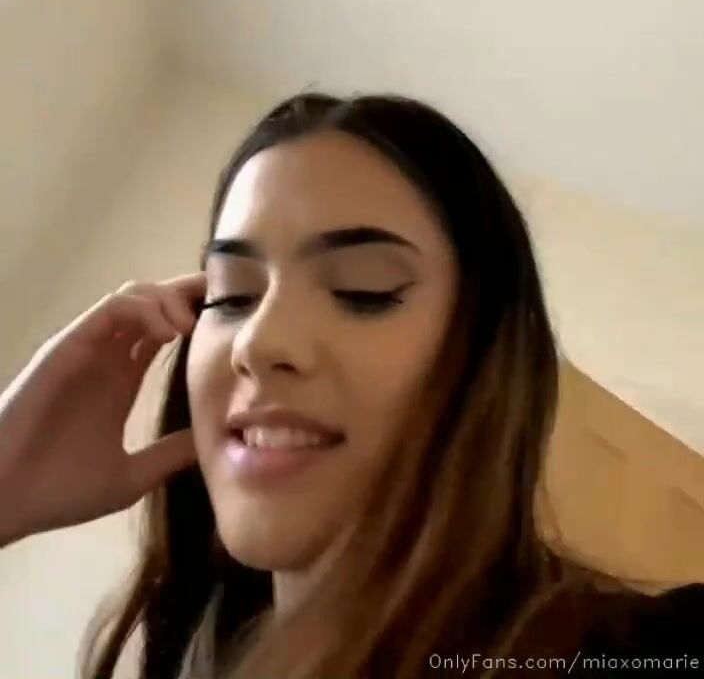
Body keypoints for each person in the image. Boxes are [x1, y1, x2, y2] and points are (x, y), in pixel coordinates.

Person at [0, 91, 701, 678]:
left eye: (363, 289)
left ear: (487, 356)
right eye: (231, 295)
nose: (257, 342)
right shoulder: (186, 650)